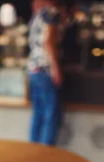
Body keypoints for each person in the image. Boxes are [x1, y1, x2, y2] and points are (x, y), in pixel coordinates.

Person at [28, 0, 62, 145]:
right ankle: (46, 155)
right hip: (45, 69)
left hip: (32, 68)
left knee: (38, 114)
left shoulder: (37, 15)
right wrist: (56, 68)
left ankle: (33, 152)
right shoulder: (51, 13)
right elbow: (48, 42)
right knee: (50, 116)